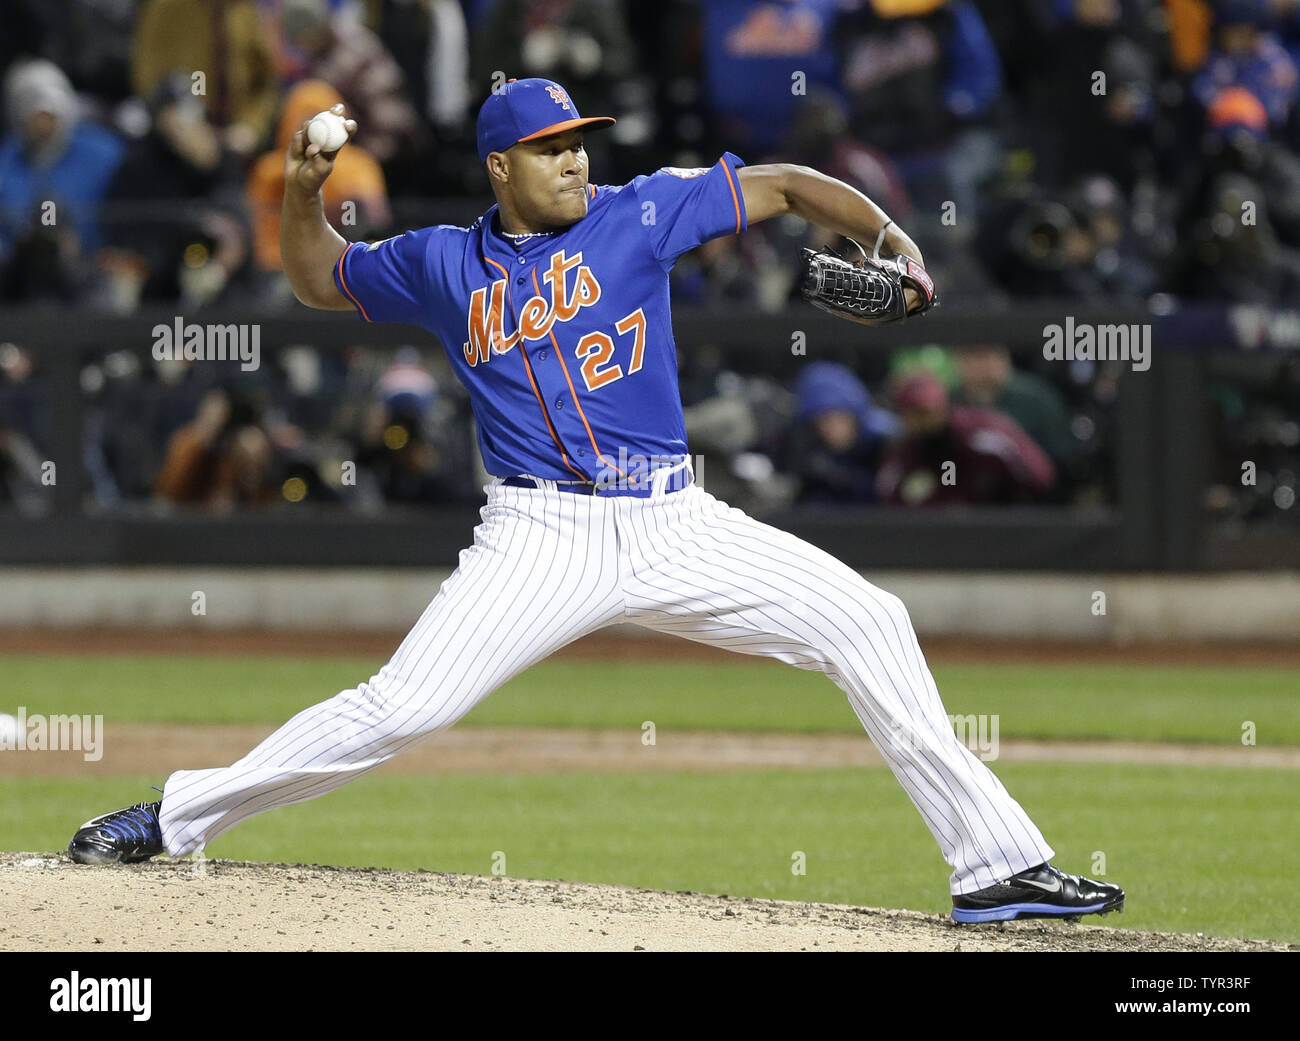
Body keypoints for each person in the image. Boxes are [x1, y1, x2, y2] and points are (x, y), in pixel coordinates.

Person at [68, 78, 1124, 925]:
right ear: (500, 166)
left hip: (675, 522)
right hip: (541, 535)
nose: (575, 157)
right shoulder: (443, 261)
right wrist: (303, 188)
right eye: (551, 145)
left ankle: (995, 870)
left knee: (870, 620)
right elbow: (316, 279)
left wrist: (892, 240)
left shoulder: (642, 210)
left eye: (580, 139)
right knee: (402, 709)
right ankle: (176, 817)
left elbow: (792, 185)